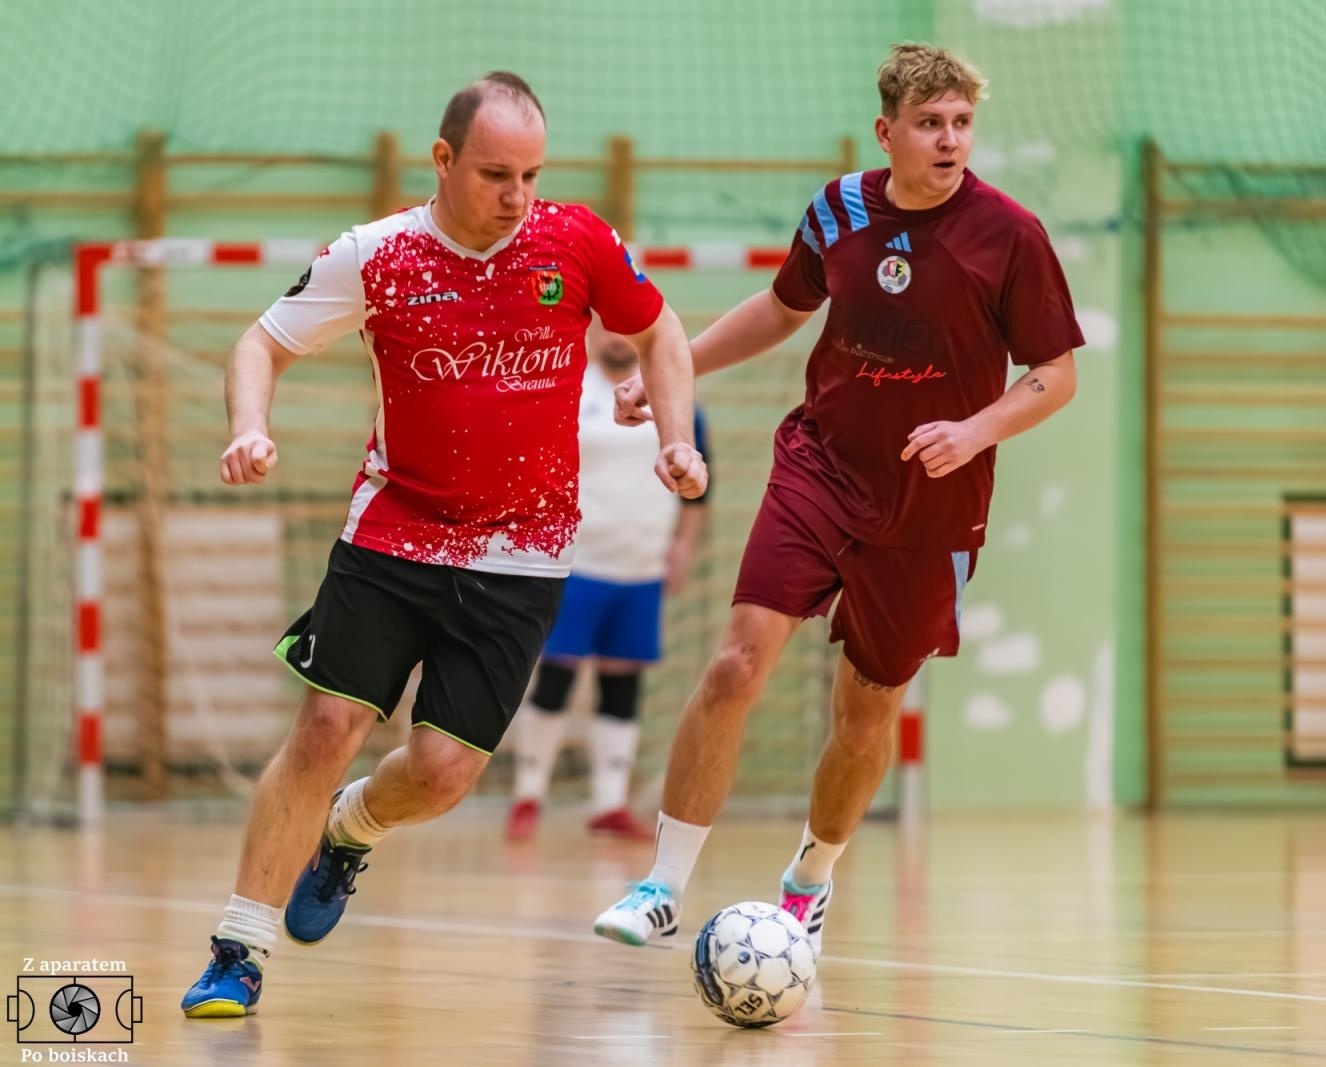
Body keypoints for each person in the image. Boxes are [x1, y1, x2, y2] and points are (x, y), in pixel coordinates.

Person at [180, 70, 706, 1019]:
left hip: (524, 553)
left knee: (442, 774)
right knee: (325, 727)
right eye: (497, 174)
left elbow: (663, 333)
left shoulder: (576, 241)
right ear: (443, 158)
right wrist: (248, 425)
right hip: (394, 532)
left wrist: (675, 438)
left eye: (532, 175)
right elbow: (260, 344)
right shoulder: (377, 254)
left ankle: (350, 831)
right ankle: (237, 949)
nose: (518, 196)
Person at [592, 43, 1082, 952]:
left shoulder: (1010, 235)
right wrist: (672, 373)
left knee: (865, 711)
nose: (949, 140)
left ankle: (809, 881)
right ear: (886, 132)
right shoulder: (839, 210)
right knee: (736, 663)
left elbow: (1055, 374)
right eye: (929, 124)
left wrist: (975, 430)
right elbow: (782, 309)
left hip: (931, 507)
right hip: (818, 467)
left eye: (962, 123)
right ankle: (662, 884)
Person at [504, 325, 711, 841]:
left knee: (623, 680)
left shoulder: (676, 397)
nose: (618, 339)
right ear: (593, 334)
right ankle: (528, 795)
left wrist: (683, 547)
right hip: (577, 563)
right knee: (556, 674)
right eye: (608, 329)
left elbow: (699, 489)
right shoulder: (570, 391)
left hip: (642, 567)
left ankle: (609, 804)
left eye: (628, 330)